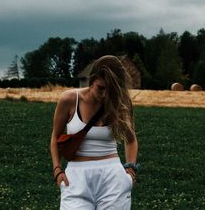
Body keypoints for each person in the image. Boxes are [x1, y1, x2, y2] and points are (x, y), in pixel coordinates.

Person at [50, 55, 139, 209]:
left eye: (110, 90)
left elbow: (131, 140)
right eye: (101, 88)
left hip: (113, 177)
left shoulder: (121, 103)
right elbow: (55, 138)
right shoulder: (70, 99)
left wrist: (130, 171)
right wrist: (57, 170)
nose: (104, 95)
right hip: (76, 178)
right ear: (91, 81)